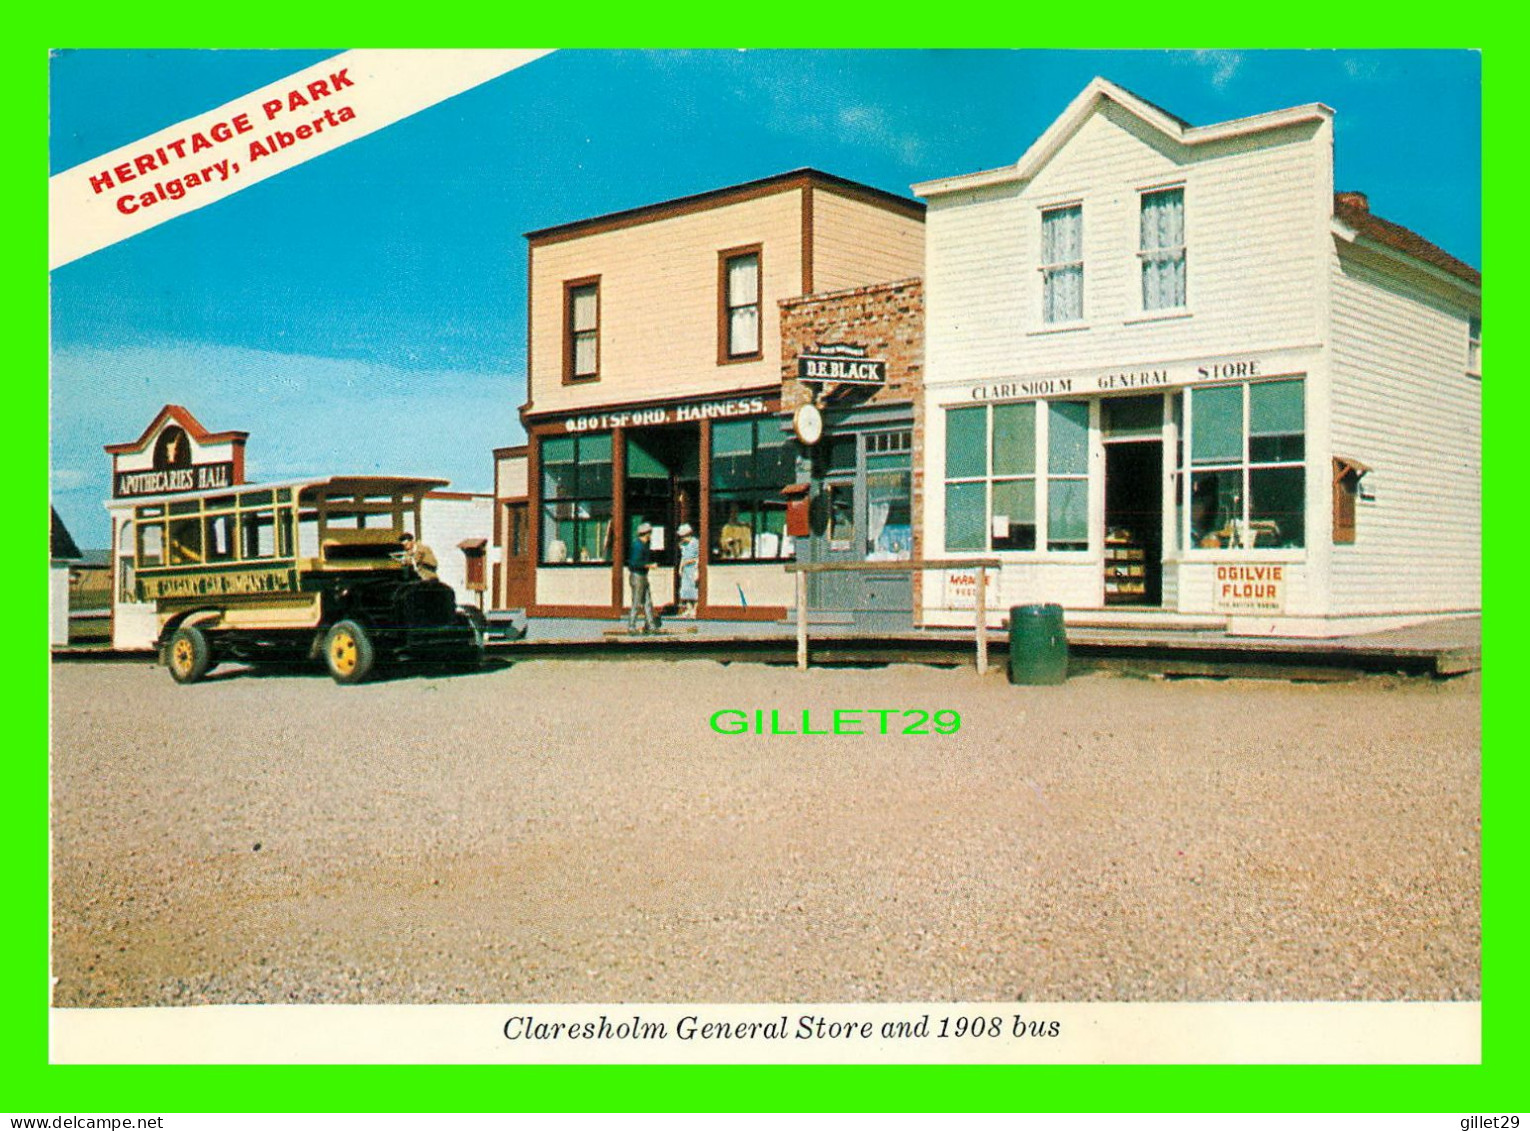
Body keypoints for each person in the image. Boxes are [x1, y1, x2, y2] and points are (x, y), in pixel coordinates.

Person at [626, 521, 660, 634]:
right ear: (646, 533)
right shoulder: (638, 546)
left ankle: (650, 625)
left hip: (643, 576)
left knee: (647, 601)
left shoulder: (644, 545)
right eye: (650, 533)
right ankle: (631, 625)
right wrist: (649, 565)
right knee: (636, 602)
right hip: (637, 576)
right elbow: (634, 563)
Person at [676, 522, 699, 618]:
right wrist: (680, 568)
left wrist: (690, 563)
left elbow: (698, 557)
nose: (682, 538)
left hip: (693, 568)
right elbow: (683, 557)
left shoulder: (695, 543)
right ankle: (688, 609)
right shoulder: (683, 545)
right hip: (685, 570)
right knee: (686, 589)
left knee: (694, 589)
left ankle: (695, 609)